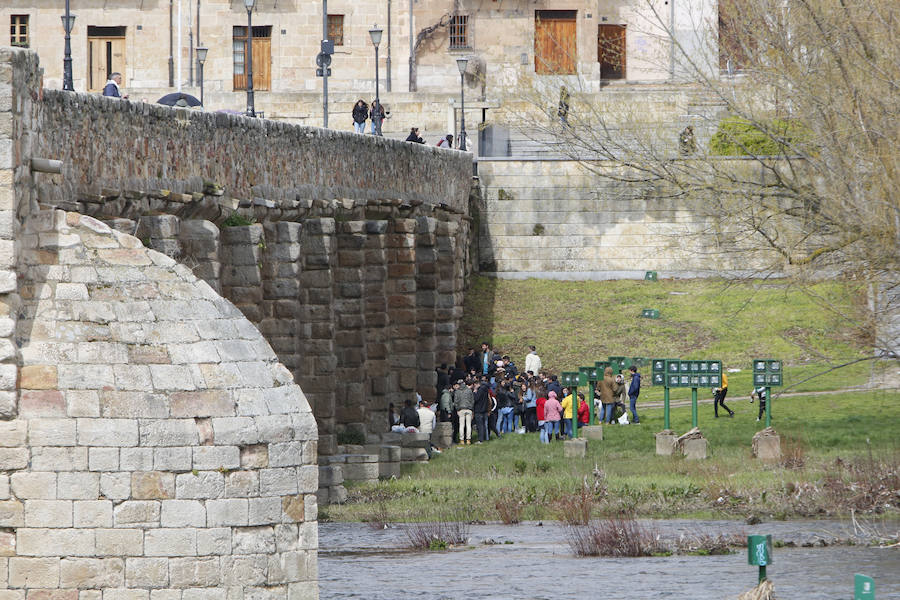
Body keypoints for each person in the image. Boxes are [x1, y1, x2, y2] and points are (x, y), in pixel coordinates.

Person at [453, 379, 474, 445]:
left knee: (461, 425)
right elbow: (472, 400)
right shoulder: (469, 390)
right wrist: (471, 408)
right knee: (468, 425)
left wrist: (457, 409)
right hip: (469, 409)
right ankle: (468, 440)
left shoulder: (457, 391)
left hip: (461, 409)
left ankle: (461, 440)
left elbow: (456, 401)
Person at [473, 377, 491, 443]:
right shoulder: (486, 390)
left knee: (480, 426)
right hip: (485, 409)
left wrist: (474, 392)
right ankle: (486, 437)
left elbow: (476, 399)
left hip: (479, 410)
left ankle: (480, 439)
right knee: (484, 425)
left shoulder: (480, 390)